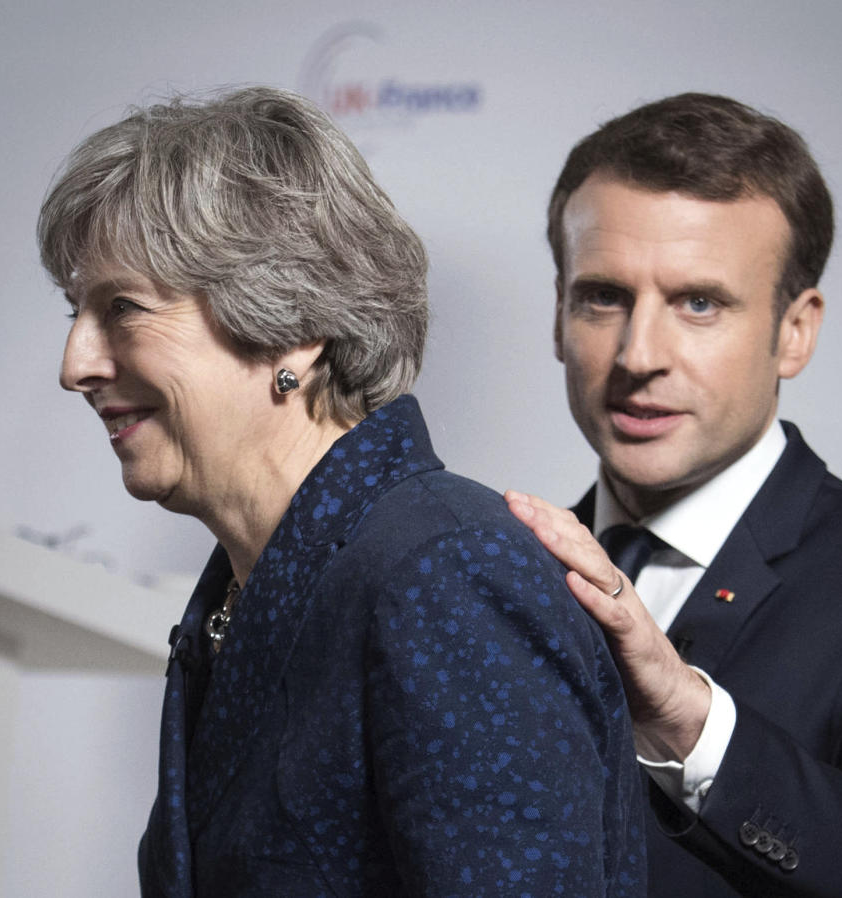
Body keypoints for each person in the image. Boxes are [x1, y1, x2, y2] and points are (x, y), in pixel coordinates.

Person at [39, 86, 645, 897]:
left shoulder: (445, 577)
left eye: (122, 308)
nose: (76, 363)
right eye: (77, 311)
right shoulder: (249, 588)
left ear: (291, 326)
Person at [506, 93, 842, 897]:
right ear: (559, 312)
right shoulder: (493, 570)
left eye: (698, 303)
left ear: (795, 332)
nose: (639, 354)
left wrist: (688, 720)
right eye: (604, 296)